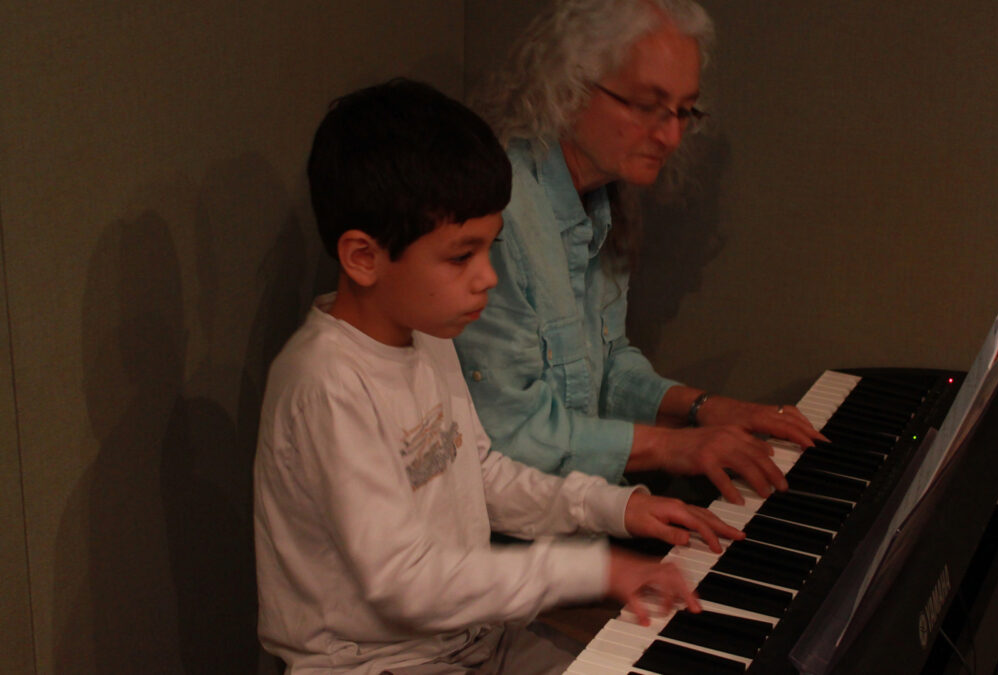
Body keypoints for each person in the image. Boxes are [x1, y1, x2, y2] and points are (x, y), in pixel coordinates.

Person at [253, 78, 744, 674]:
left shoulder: (428, 333)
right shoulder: (326, 383)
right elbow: (404, 582)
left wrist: (616, 509)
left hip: (477, 641)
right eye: (462, 256)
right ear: (363, 257)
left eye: (492, 248)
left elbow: (481, 473)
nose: (487, 277)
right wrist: (596, 569)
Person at [455, 0, 827, 506]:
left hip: (585, 511)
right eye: (647, 106)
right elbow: (511, 433)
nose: (671, 135)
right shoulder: (500, 217)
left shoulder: (602, 197)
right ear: (568, 88)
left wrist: (704, 408)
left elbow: (602, 366)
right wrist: (674, 445)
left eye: (683, 111)